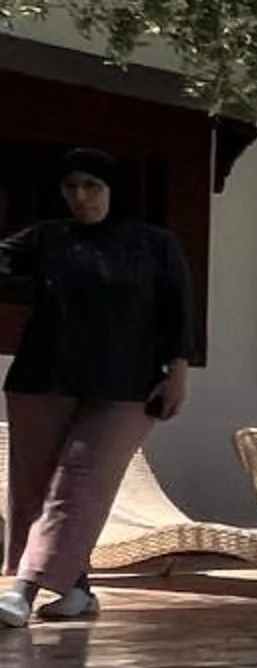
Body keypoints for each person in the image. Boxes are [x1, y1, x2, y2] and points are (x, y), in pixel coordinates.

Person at [0, 149, 194, 626]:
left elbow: (179, 310)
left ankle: (23, 590)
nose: (81, 196)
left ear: (113, 189)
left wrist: (178, 374)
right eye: (71, 187)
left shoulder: (154, 244)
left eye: (92, 186)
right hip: (42, 378)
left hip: (127, 386)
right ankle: (75, 593)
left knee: (79, 482)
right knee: (33, 487)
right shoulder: (46, 239)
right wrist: (38, 289)